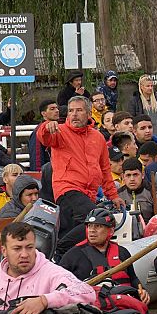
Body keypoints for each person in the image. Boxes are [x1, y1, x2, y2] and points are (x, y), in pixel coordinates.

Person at [38, 95, 120, 244]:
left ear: (89, 114)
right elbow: (44, 137)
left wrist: (113, 195)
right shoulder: (59, 131)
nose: (74, 114)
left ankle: (64, 255)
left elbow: (105, 169)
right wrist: (46, 126)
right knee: (96, 219)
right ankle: (61, 248)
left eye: (79, 110)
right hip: (67, 189)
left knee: (79, 234)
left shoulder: (98, 137)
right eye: (71, 111)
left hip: (89, 193)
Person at [0, 220, 98, 314]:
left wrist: (44, 301)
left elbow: (87, 293)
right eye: (17, 248)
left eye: (29, 247)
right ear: (4, 251)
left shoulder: (52, 273)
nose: (24, 254)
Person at [60, 205, 149, 303]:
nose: (92, 230)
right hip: (94, 309)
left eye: (98, 226)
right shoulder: (73, 255)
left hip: (123, 304)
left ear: (110, 231)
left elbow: (133, 278)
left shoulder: (122, 252)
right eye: (89, 226)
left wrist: (141, 290)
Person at [28, 101, 59, 171]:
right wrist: (38, 174)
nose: (57, 111)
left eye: (57, 108)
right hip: (47, 173)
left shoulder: (60, 128)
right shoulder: (38, 131)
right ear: (43, 113)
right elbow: (36, 157)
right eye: (52, 109)